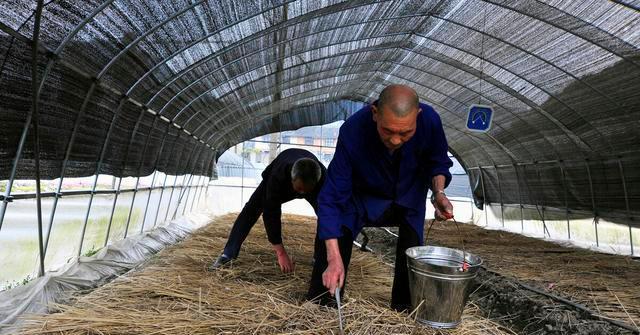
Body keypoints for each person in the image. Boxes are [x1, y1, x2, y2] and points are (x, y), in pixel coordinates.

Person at [306, 84, 454, 311]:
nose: (395, 140)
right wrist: (333, 257)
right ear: (375, 113)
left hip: (408, 195)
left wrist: (439, 193)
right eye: (388, 131)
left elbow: (438, 162)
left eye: (405, 133)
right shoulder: (353, 130)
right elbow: (333, 196)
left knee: (411, 249)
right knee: (335, 235)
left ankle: (403, 312)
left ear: (418, 116)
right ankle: (322, 306)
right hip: (361, 197)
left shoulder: (430, 121)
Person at [209, 148, 326, 273]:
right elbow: (271, 213)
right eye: (299, 189)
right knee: (250, 210)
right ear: (292, 179)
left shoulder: (324, 179)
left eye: (306, 190)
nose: (302, 193)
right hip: (281, 175)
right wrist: (280, 252)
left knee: (326, 215)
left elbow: (332, 215)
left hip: (312, 184)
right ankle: (228, 254)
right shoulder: (277, 177)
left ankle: (319, 258)